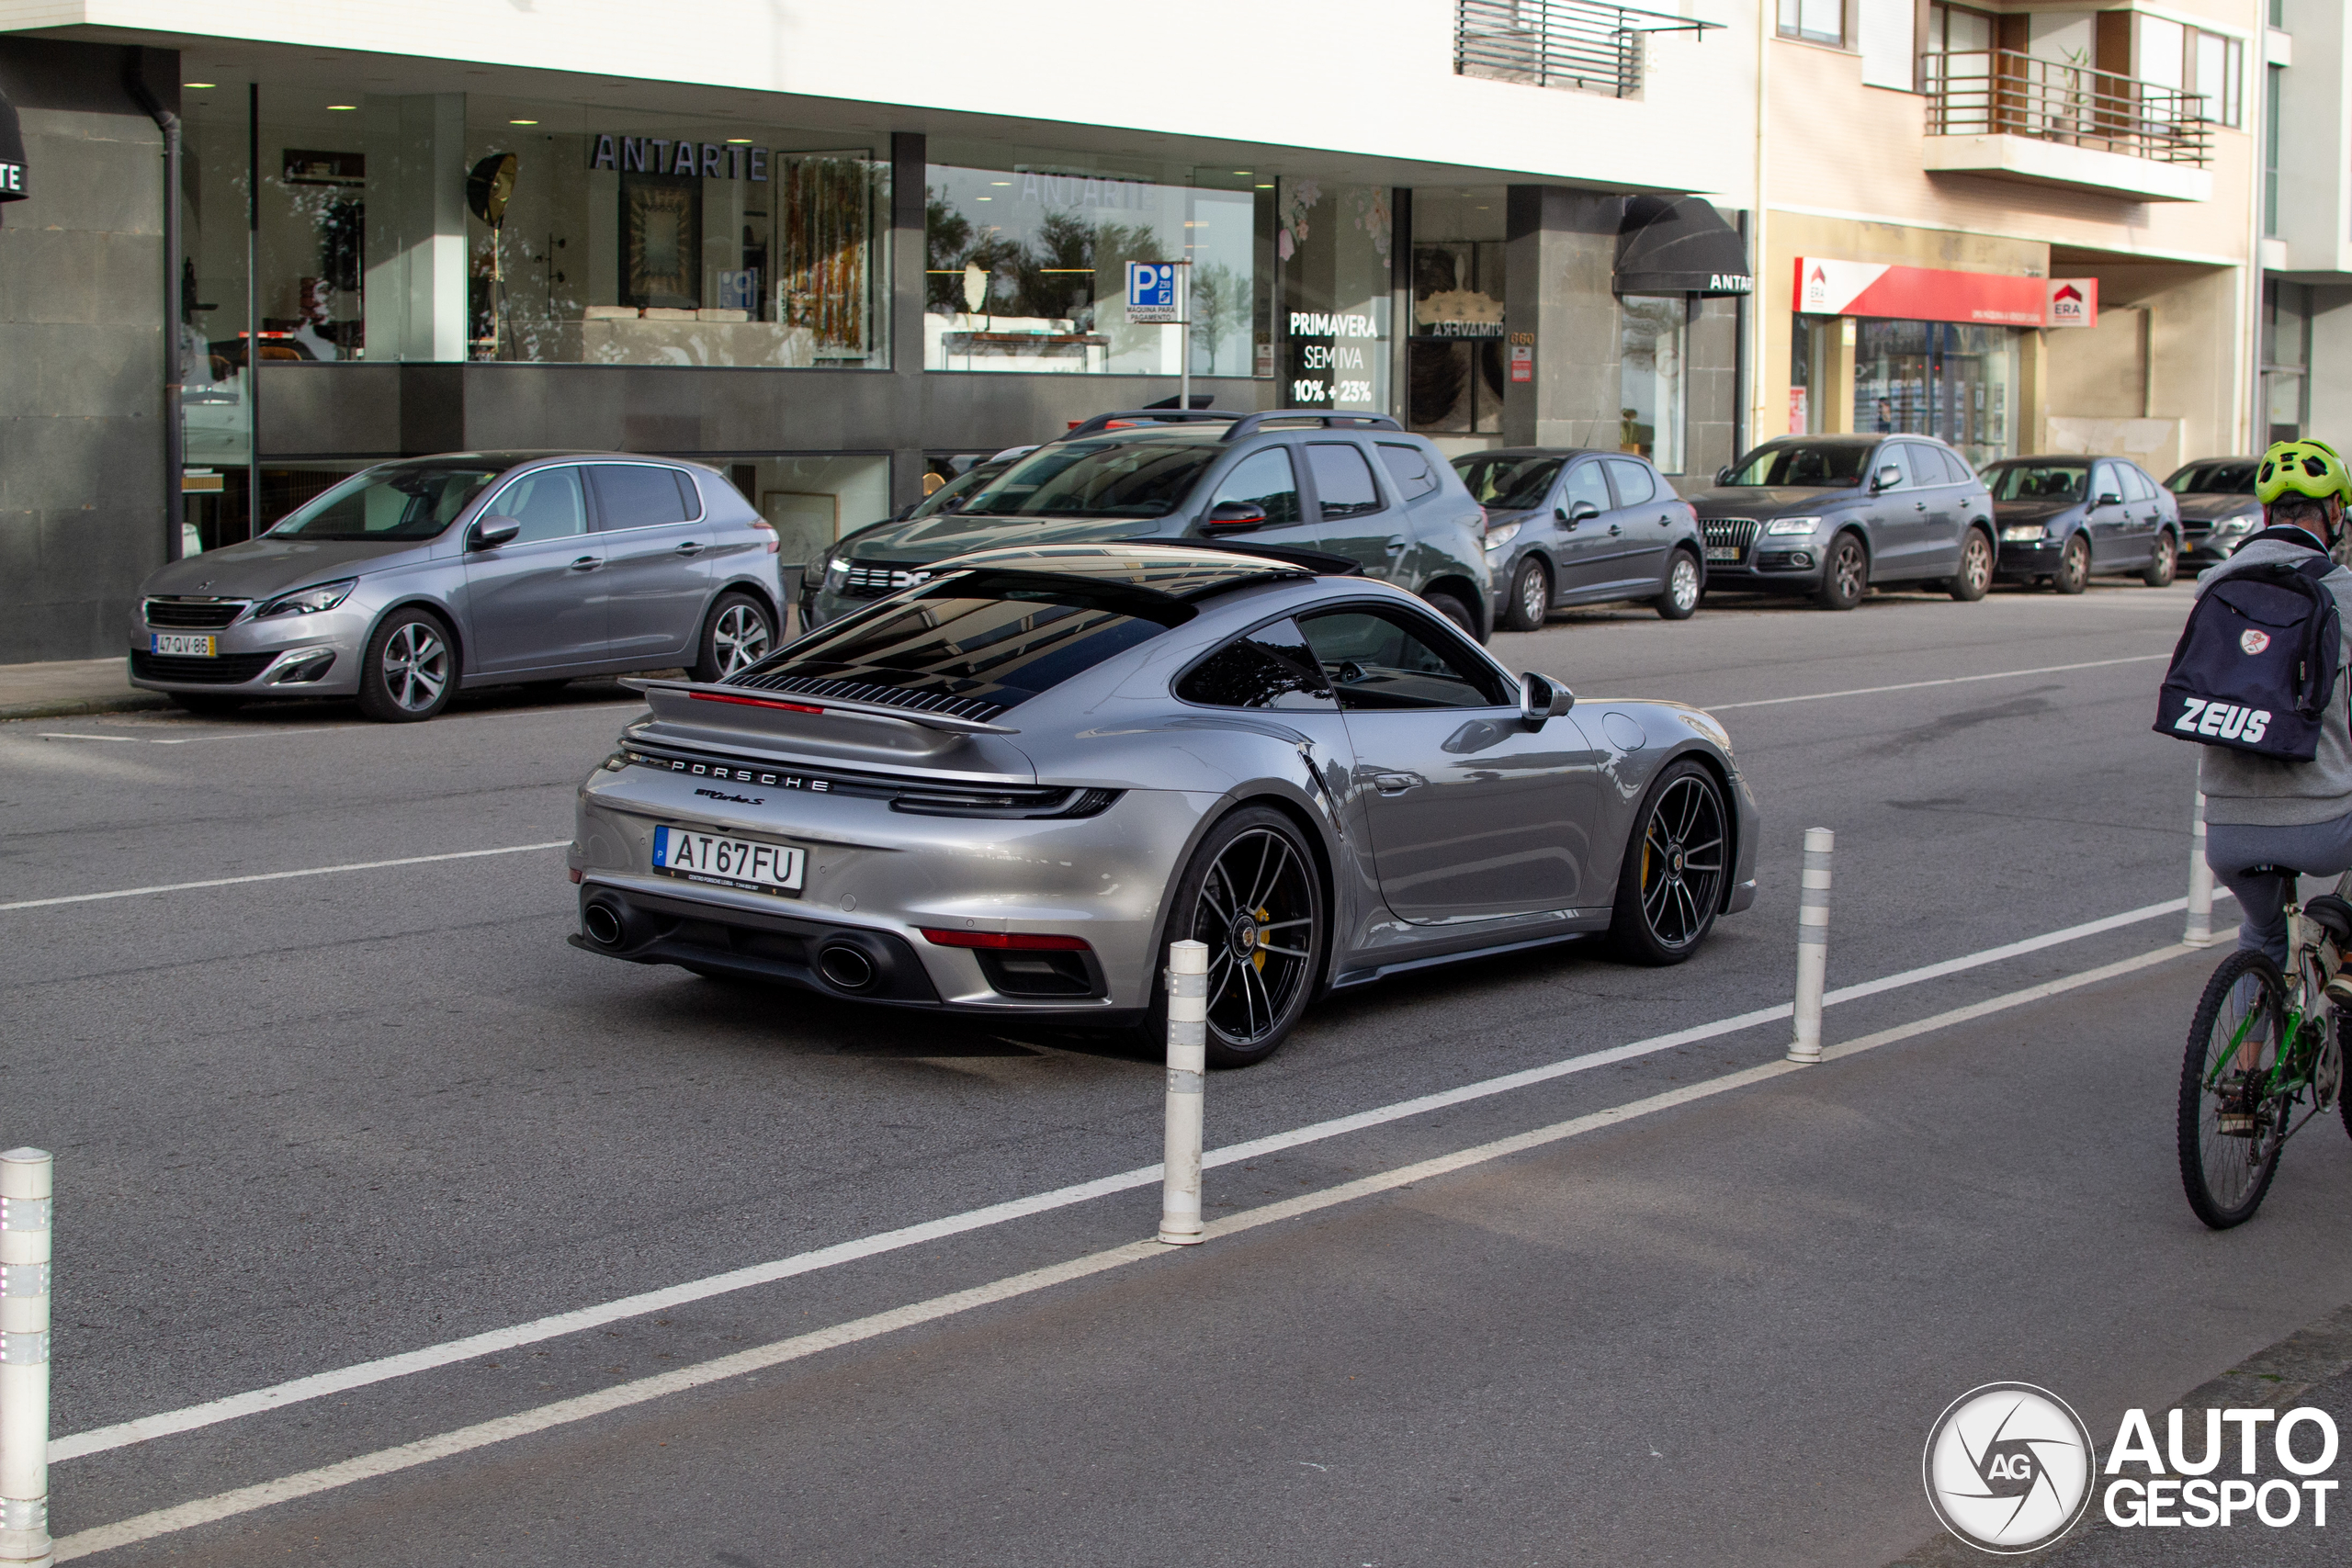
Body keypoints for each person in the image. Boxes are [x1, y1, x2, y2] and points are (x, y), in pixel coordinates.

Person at [2199, 438, 2352, 974]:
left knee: (2262, 936)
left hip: (2227, 829)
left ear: (2266, 514)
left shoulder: (2214, 586)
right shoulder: (2342, 591)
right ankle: (2349, 964)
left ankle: (2247, 1062)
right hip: (2321, 827)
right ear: (2335, 512)